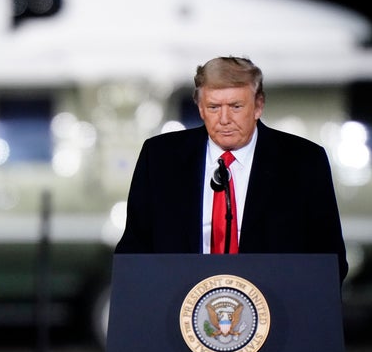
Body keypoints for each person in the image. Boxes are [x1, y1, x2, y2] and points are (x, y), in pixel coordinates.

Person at [115, 55, 348, 284]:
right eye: (214, 107)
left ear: (258, 106)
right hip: (178, 310)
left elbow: (330, 261)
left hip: (275, 310)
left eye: (236, 106)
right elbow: (134, 252)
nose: (224, 119)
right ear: (200, 108)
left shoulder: (303, 161)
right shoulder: (160, 158)